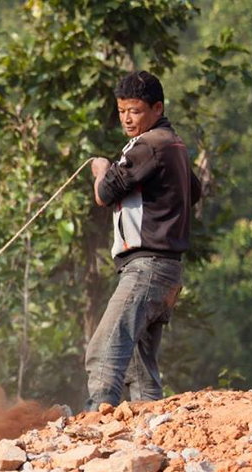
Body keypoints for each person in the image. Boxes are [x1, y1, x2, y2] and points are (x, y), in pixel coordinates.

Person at [85, 71, 201, 411]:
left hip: (148, 266)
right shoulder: (174, 145)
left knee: (105, 349)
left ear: (157, 108)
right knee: (139, 365)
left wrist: (101, 169)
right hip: (167, 271)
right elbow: (194, 191)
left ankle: (95, 418)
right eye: (122, 111)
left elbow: (105, 194)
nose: (126, 118)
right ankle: (149, 431)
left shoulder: (150, 145)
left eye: (134, 111)